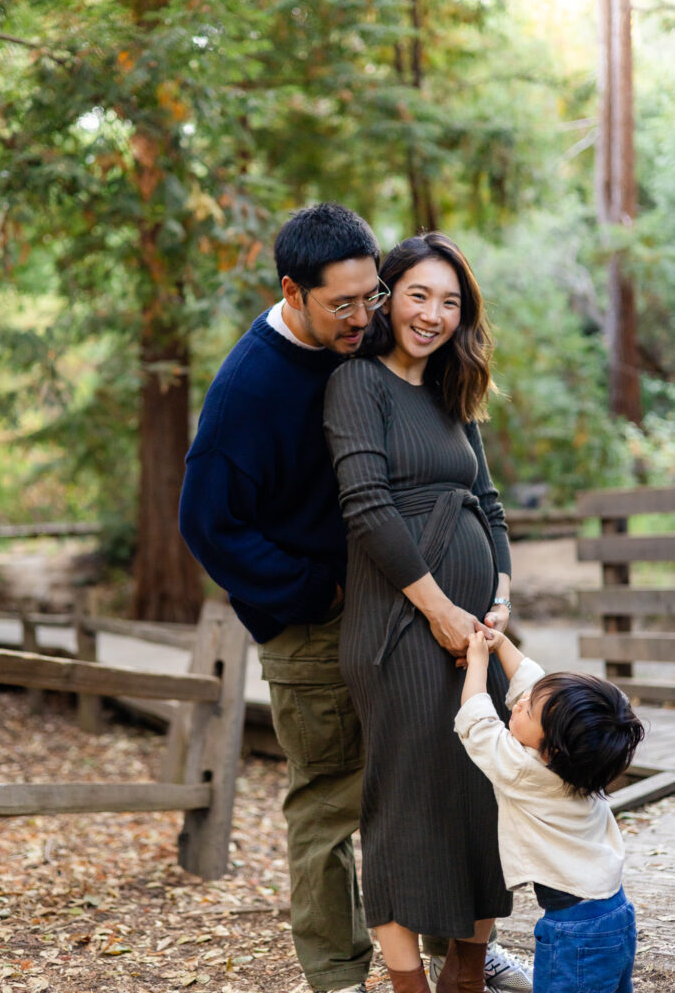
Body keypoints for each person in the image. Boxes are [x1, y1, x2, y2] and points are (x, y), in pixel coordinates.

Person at [180, 208, 531, 993]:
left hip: (397, 601)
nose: (363, 316)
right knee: (332, 804)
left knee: (437, 776)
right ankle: (339, 975)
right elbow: (205, 522)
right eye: (343, 304)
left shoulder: (374, 349)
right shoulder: (251, 385)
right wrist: (313, 589)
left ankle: (457, 945)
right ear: (292, 294)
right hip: (314, 618)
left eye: (371, 296)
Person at [324, 232, 519, 993]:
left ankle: (466, 977)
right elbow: (368, 510)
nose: (433, 315)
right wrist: (440, 612)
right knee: (404, 808)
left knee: (484, 795)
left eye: (450, 302)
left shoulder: (451, 391)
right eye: (419, 295)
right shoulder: (357, 384)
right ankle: (409, 985)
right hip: (399, 627)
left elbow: (491, 507)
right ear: (388, 294)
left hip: (477, 633)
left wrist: (498, 602)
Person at [456, 629, 645, 993]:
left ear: (552, 749)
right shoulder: (584, 767)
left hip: (574, 931)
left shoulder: (525, 772)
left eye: (526, 710)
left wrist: (479, 660)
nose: (517, 703)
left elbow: (476, 723)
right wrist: (503, 644)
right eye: (524, 699)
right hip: (615, 914)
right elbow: (534, 683)